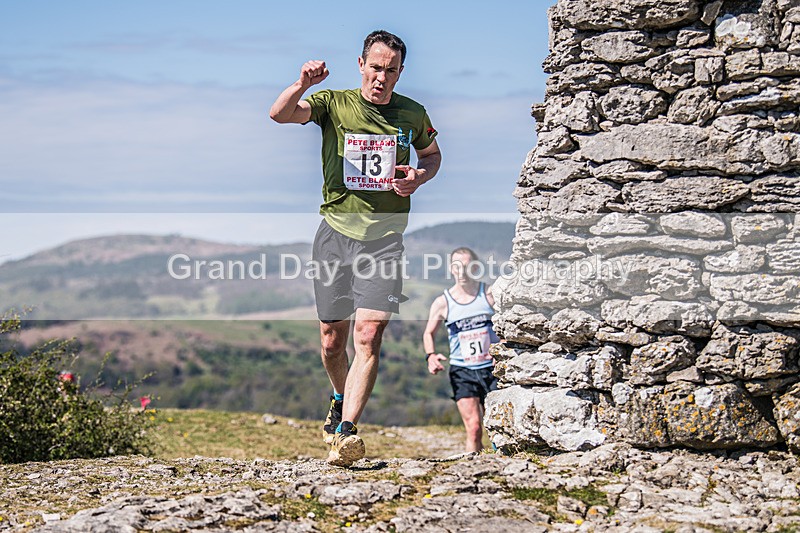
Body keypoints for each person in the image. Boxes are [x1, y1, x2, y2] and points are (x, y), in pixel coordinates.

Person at [269, 30, 442, 466]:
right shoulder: (334, 104)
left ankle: (347, 432)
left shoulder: (413, 113)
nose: (382, 77)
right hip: (334, 237)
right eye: (376, 67)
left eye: (392, 70)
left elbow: (433, 155)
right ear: (361, 64)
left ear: (401, 72)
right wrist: (302, 84)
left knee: (369, 335)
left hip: (384, 241)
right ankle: (338, 396)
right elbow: (279, 115)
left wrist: (418, 178)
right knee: (332, 342)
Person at [423, 247, 499, 453]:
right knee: (474, 428)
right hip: (462, 371)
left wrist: (504, 350)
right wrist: (431, 355)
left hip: (493, 369)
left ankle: (505, 468)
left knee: (499, 428)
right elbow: (428, 333)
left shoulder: (490, 294)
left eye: (467, 266)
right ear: (451, 269)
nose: (462, 271)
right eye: (457, 266)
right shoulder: (442, 302)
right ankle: (473, 471)